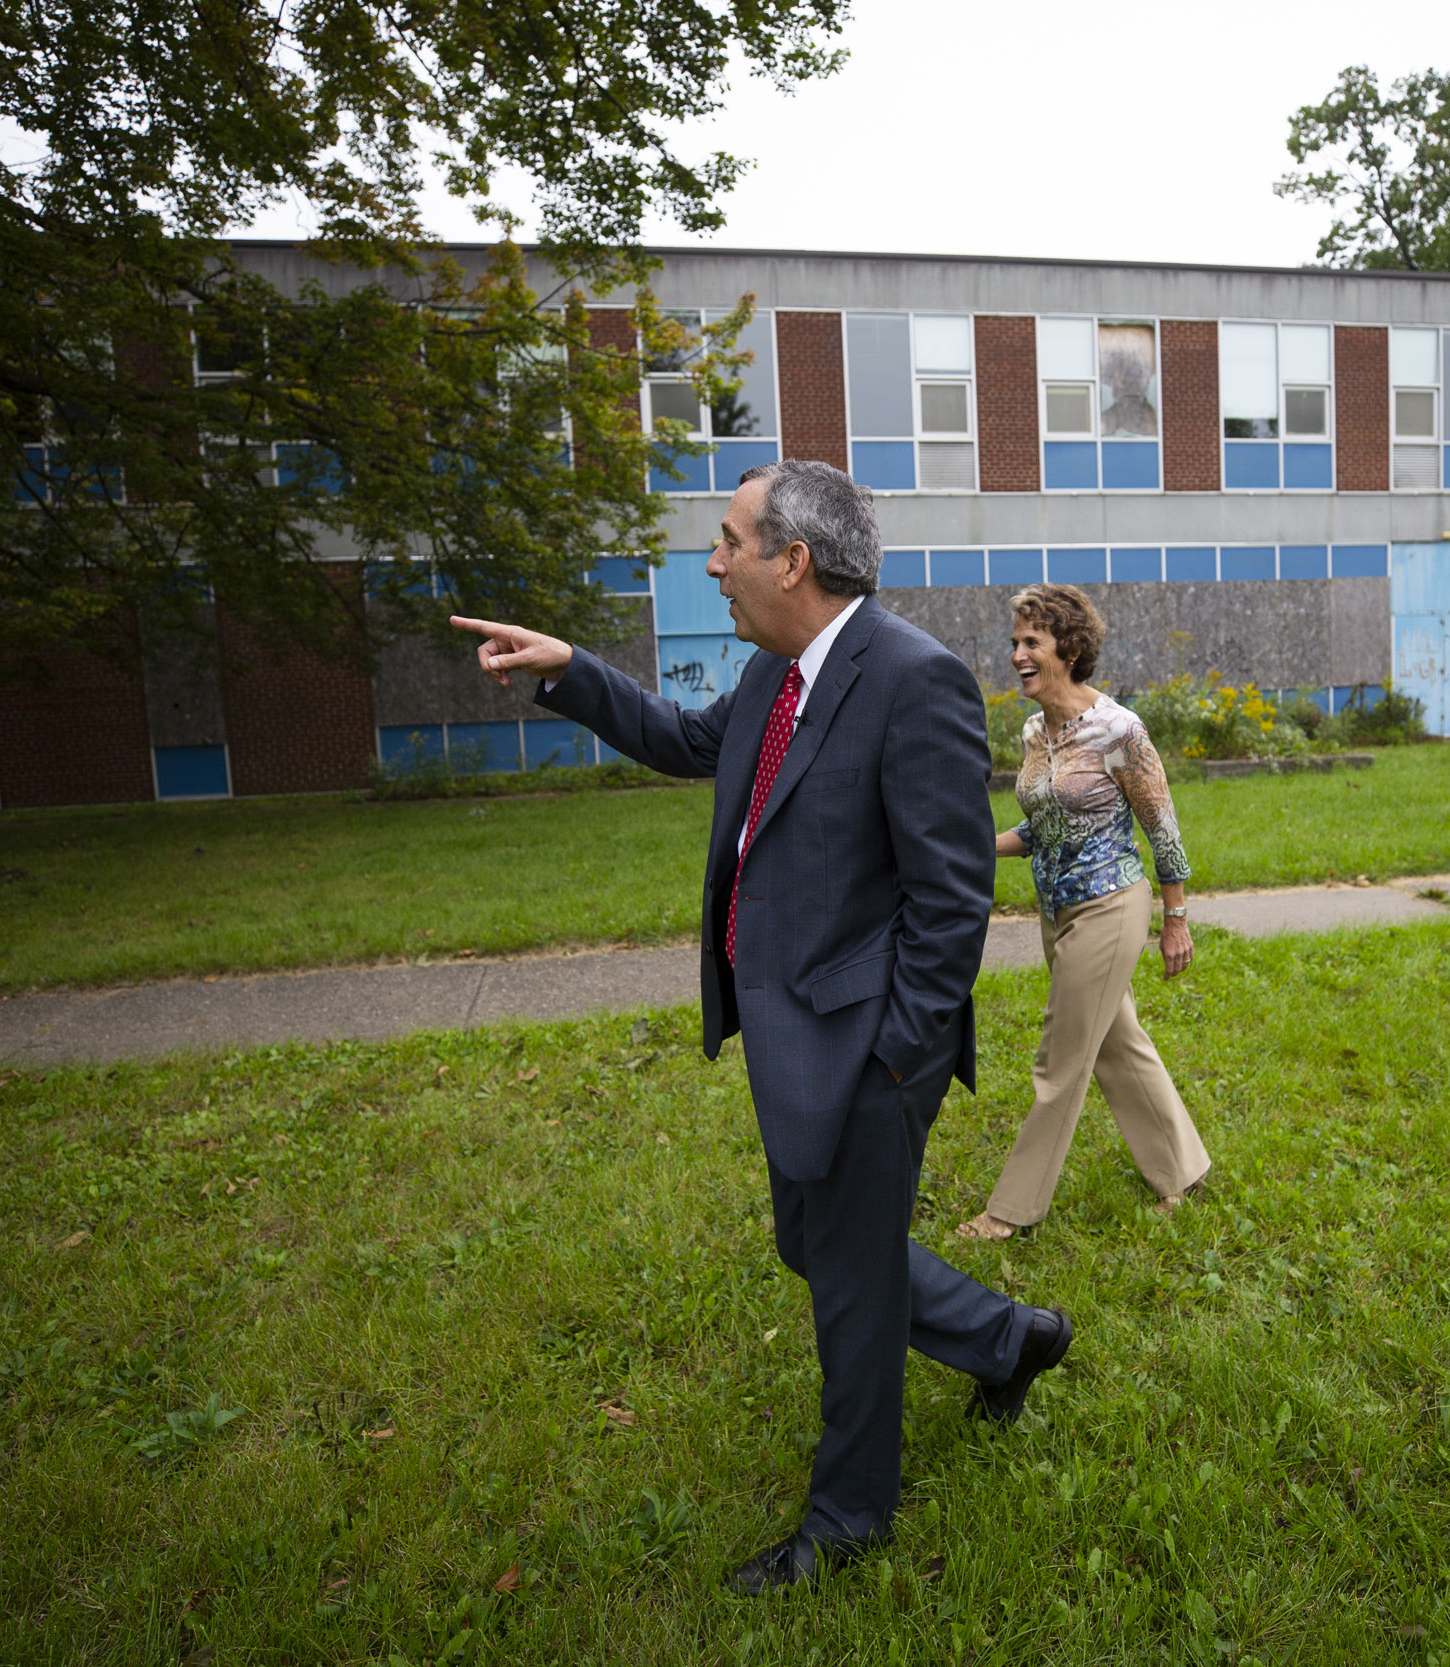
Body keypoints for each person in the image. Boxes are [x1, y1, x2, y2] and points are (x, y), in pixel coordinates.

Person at [449, 459, 1070, 1596]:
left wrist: (895, 1056)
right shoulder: (776, 674)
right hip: (793, 1031)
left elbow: (950, 896)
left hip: (867, 1047)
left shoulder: (912, 680)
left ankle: (846, 1520)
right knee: (819, 1247)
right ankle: (1008, 1337)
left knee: (844, 1277)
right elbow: (692, 741)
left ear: (793, 559)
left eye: (729, 540)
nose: (713, 560)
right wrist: (570, 671)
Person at [956, 584, 1210, 1243]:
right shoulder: (1035, 731)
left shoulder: (1119, 730)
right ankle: (1184, 1170)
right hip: (1059, 911)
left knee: (1059, 1058)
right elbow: (1042, 826)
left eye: (1030, 642)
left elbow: (1162, 827)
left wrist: (1176, 917)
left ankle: (1010, 1210)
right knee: (1117, 1043)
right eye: (1014, 642)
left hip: (1112, 906)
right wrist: (975, 851)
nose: (1016, 654)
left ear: (1068, 649)